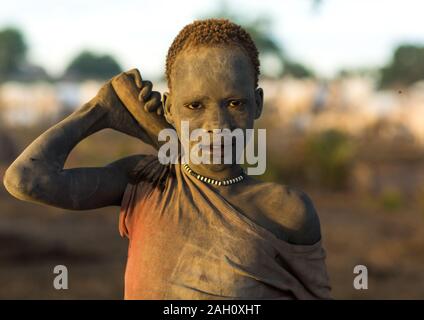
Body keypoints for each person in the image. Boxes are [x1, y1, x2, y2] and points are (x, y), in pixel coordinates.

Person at [3, 19, 331, 299]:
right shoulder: (146, 182)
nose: (217, 126)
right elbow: (25, 179)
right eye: (194, 106)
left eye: (234, 104)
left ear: (257, 103)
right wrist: (101, 109)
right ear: (170, 108)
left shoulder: (288, 211)